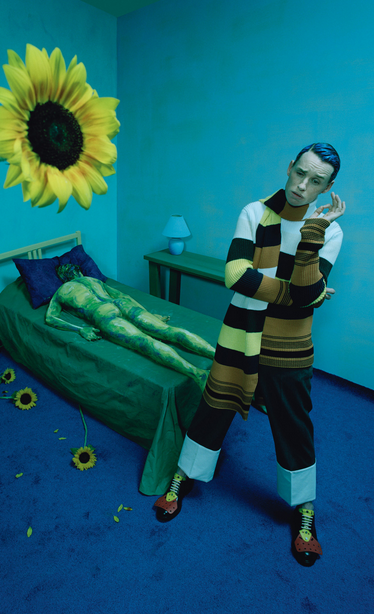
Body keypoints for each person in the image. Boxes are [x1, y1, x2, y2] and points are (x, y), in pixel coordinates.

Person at [153, 143, 345, 568]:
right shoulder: (254, 213)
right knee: (215, 405)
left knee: (294, 423)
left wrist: (311, 238)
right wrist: (300, 294)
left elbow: (293, 289)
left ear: (328, 187)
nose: (302, 185)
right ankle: (186, 473)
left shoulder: (329, 231)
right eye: (300, 172)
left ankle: (304, 506)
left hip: (291, 343)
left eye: (316, 181)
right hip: (241, 331)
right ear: (289, 167)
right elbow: (236, 276)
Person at [45, 265, 215, 389]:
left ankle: (198, 374)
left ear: (63, 277)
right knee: (168, 331)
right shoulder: (93, 280)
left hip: (103, 313)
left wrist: (81, 329)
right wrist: (148, 313)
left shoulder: (63, 290)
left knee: (145, 342)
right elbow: (123, 295)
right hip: (122, 303)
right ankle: (217, 355)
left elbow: (50, 317)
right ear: (79, 271)